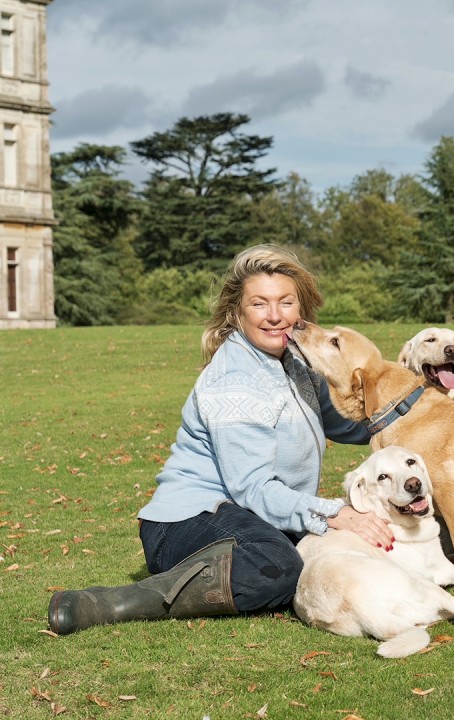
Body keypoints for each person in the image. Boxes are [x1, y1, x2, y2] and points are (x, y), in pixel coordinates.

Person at [48, 245, 394, 634]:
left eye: (286, 302)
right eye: (260, 304)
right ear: (238, 312)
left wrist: (420, 408)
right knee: (281, 567)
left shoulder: (297, 364)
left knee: (315, 553)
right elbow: (253, 489)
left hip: (251, 518)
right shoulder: (236, 379)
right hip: (189, 521)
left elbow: (352, 424)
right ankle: (107, 603)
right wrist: (335, 513)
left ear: (302, 308)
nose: (276, 316)